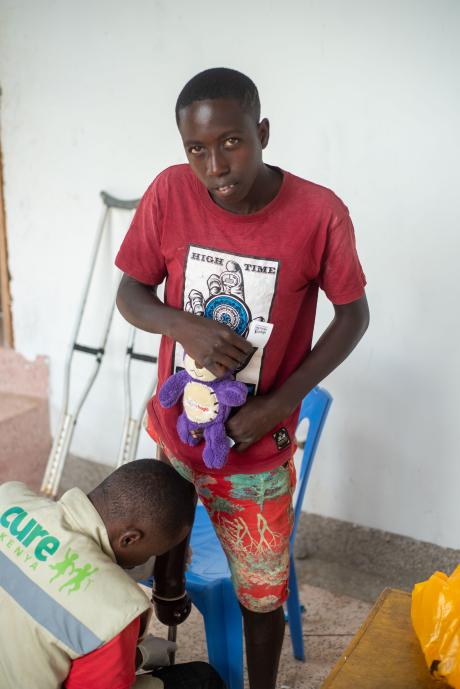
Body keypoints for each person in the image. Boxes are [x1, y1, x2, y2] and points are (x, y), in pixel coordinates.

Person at [115, 67, 370, 689]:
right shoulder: (170, 193)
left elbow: (353, 315)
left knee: (261, 594)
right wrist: (186, 328)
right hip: (178, 432)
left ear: (261, 133)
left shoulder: (318, 213)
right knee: (152, 565)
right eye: (196, 149)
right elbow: (131, 291)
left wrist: (282, 402)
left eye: (230, 142)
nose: (214, 166)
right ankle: (170, 590)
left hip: (256, 450)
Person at [0, 460, 224, 689]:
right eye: (154, 552)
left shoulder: (9, 497)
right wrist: (134, 657)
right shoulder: (116, 613)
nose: (148, 560)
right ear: (129, 539)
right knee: (203, 680)